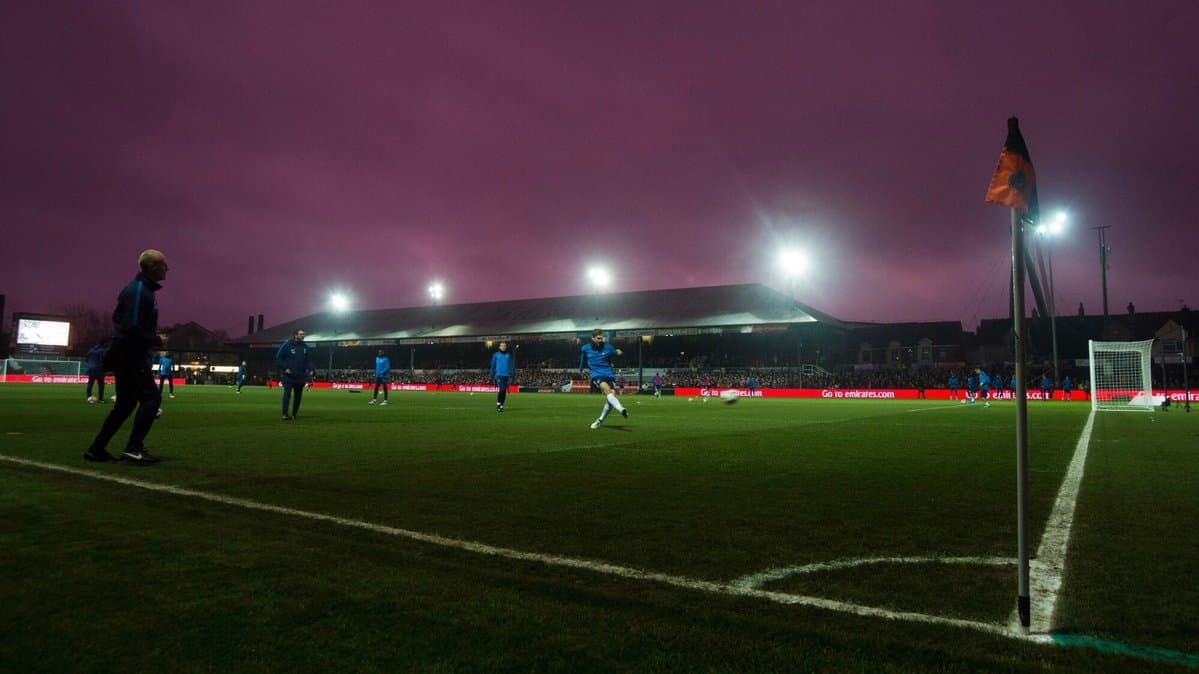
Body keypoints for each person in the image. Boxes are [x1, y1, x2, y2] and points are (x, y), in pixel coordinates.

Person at [83, 249, 170, 464]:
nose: (167, 268)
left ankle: (97, 448)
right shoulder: (140, 291)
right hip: (131, 355)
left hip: (127, 353)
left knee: (125, 405)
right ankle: (134, 448)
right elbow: (131, 327)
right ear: (152, 267)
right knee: (151, 399)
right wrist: (157, 340)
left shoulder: (141, 289)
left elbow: (122, 321)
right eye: (163, 264)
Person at [579, 328, 628, 429]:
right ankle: (621, 409)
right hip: (596, 374)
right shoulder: (585, 348)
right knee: (607, 390)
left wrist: (620, 353)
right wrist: (581, 370)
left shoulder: (608, 347)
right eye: (598, 338)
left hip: (609, 374)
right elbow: (583, 359)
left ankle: (600, 420)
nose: (601, 340)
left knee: (611, 400)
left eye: (602, 338)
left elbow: (617, 354)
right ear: (592, 338)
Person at [276, 329, 315, 420]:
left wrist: (311, 369)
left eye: (304, 334)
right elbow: (278, 357)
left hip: (301, 375)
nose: (303, 336)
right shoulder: (287, 345)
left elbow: (309, 360)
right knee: (287, 393)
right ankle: (285, 414)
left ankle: (294, 414)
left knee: (298, 396)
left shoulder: (305, 347)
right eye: (301, 334)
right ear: (295, 335)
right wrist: (285, 368)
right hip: (289, 376)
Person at [490, 341, 515, 412]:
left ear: (506, 347)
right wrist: (492, 374)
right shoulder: (496, 355)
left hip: (506, 375)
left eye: (504, 346)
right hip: (499, 375)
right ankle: (498, 404)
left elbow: (511, 365)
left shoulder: (508, 355)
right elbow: (493, 364)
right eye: (502, 346)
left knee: (504, 391)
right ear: (499, 347)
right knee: (502, 389)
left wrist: (513, 374)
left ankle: (501, 405)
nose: (503, 347)